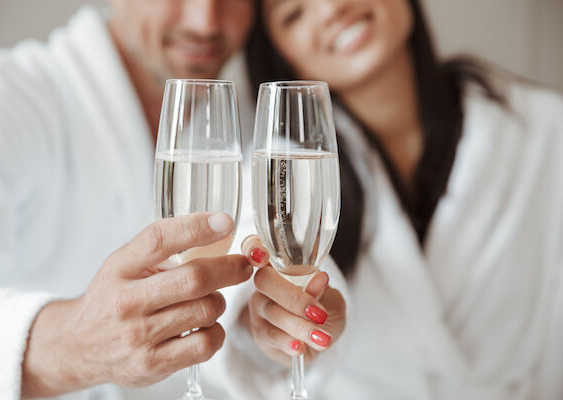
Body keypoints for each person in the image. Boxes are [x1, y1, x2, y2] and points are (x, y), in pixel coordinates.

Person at [212, 0, 563, 399]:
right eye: (295, 14)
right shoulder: (278, 168)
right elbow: (251, 243)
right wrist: (269, 318)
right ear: (282, 55)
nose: (330, 10)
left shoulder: (548, 133)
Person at [0, 1, 256, 398]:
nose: (205, 22)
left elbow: (259, 243)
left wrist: (269, 323)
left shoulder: (247, 121)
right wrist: (70, 348)